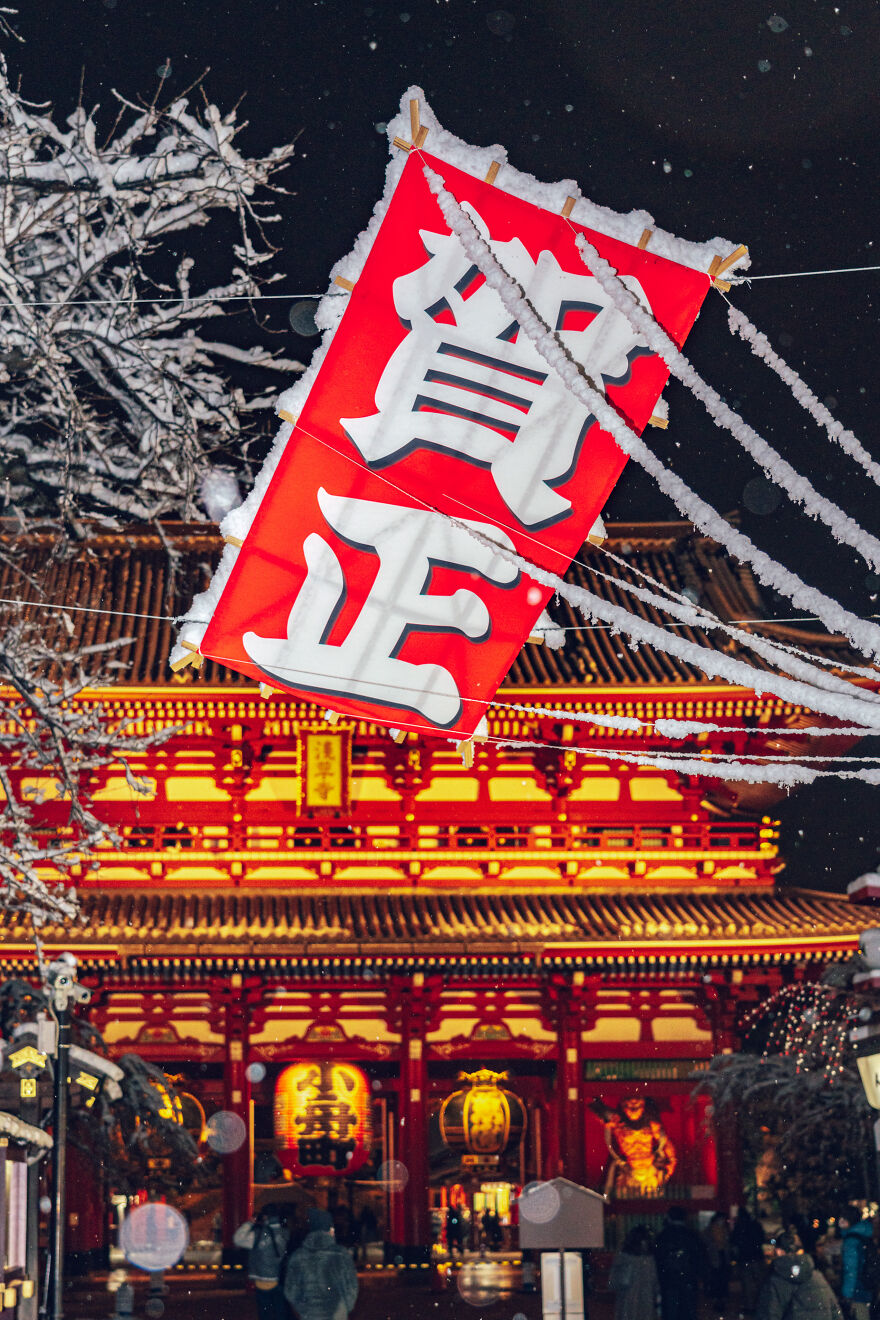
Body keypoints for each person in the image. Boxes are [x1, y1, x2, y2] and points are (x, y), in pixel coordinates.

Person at [284, 1207, 358, 1320]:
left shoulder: (298, 1256)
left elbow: (290, 1291)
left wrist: (302, 1310)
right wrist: (344, 1308)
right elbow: (351, 1287)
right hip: (336, 1314)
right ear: (330, 1229)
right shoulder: (341, 1254)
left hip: (309, 1315)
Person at [755, 1230, 842, 1320]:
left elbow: (768, 1314)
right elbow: (835, 1311)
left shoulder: (775, 1281)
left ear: (779, 1251)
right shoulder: (818, 1277)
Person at [233, 1205, 291, 1320]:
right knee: (281, 1312)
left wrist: (250, 1223)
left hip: (263, 1279)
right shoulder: (285, 1232)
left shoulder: (258, 1234)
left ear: (264, 1217)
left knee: (265, 1312)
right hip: (281, 1278)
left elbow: (237, 1239)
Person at [654, 1207, 706, 1320]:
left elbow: (658, 1257)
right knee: (688, 1308)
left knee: (670, 1308)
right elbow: (700, 1257)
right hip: (688, 1278)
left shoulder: (664, 1235)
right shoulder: (692, 1235)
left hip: (669, 1278)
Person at [609, 1225, 658, 1320]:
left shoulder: (623, 1255)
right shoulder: (649, 1258)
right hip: (646, 1296)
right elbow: (654, 1279)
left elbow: (614, 1274)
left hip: (627, 1294)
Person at [838, 1206, 874, 1320]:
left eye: (842, 1219)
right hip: (867, 1284)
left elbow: (851, 1269)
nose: (840, 1222)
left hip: (857, 1290)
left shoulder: (851, 1241)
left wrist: (847, 1294)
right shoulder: (864, 1235)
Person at [730, 1206, 767, 1314]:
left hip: (745, 1257)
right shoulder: (756, 1225)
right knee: (760, 1282)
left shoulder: (739, 1226)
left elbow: (734, 1240)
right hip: (757, 1256)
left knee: (747, 1284)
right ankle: (762, 1304)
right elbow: (761, 1238)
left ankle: (750, 1306)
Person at [703, 1211, 731, 1306]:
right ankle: (716, 1296)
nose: (722, 1221)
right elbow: (707, 1243)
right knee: (716, 1277)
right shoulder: (710, 1230)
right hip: (714, 1255)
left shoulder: (725, 1229)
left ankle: (722, 1296)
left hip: (722, 1255)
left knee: (722, 1276)